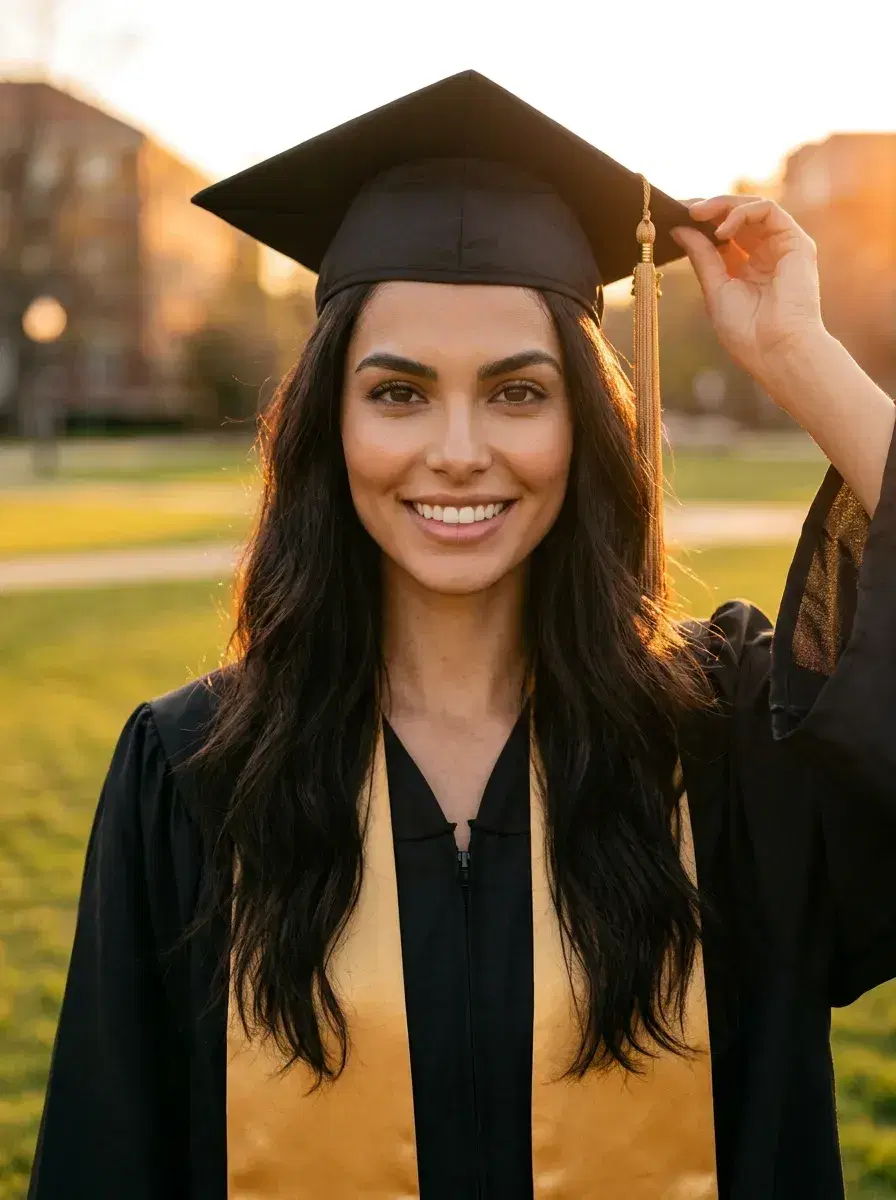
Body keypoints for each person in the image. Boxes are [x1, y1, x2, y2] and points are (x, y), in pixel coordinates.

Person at [28, 71, 896, 1200]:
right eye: (396, 393)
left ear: (585, 423)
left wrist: (802, 361)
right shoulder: (194, 774)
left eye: (516, 392)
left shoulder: (722, 749)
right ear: (325, 426)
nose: (455, 449)